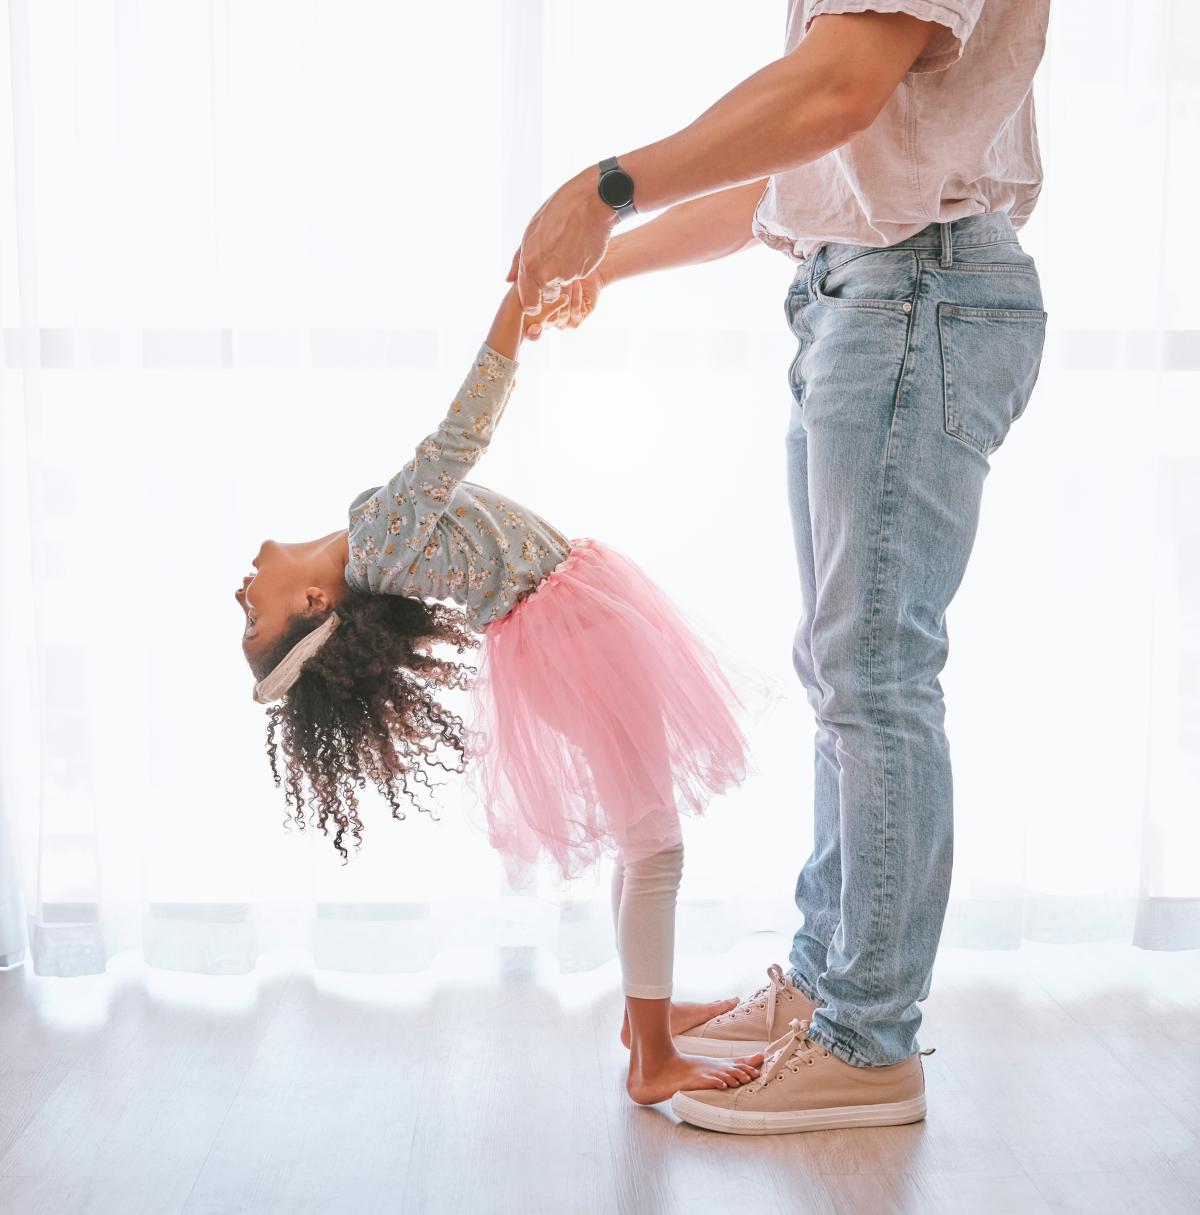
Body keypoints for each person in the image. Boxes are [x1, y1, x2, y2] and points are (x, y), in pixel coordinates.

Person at [511, 0, 1050, 1133]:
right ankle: (825, 988)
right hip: (868, 287)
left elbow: (831, 92)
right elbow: (807, 172)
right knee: (844, 674)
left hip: (918, 290)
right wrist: (614, 261)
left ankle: (867, 1044)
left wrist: (606, 187)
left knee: (876, 677)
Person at [234, 286, 767, 1105]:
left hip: (572, 630)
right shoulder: (377, 541)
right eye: (249, 619)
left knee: (643, 837)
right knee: (655, 843)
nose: (240, 595)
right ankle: (652, 1056)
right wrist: (518, 307)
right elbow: (458, 436)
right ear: (312, 607)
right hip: (579, 640)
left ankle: (643, 1019)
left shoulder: (366, 527)